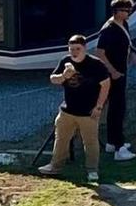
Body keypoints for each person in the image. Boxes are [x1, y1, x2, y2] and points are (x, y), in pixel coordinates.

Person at [39, 34, 111, 182]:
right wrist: (64, 76)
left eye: (77, 49)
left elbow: (106, 85)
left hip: (88, 112)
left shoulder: (96, 64)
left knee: (90, 142)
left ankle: (92, 170)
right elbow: (53, 79)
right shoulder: (65, 61)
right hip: (67, 111)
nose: (74, 52)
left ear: (85, 48)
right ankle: (55, 166)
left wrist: (99, 106)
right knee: (61, 139)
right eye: (71, 49)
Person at [97, 0, 136, 161]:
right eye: (125, 10)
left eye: (129, 10)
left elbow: (127, 42)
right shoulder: (108, 30)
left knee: (117, 107)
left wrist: (132, 53)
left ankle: (113, 142)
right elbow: (100, 53)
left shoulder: (123, 24)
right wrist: (112, 71)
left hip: (122, 70)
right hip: (114, 74)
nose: (128, 13)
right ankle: (119, 148)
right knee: (117, 108)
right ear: (116, 11)